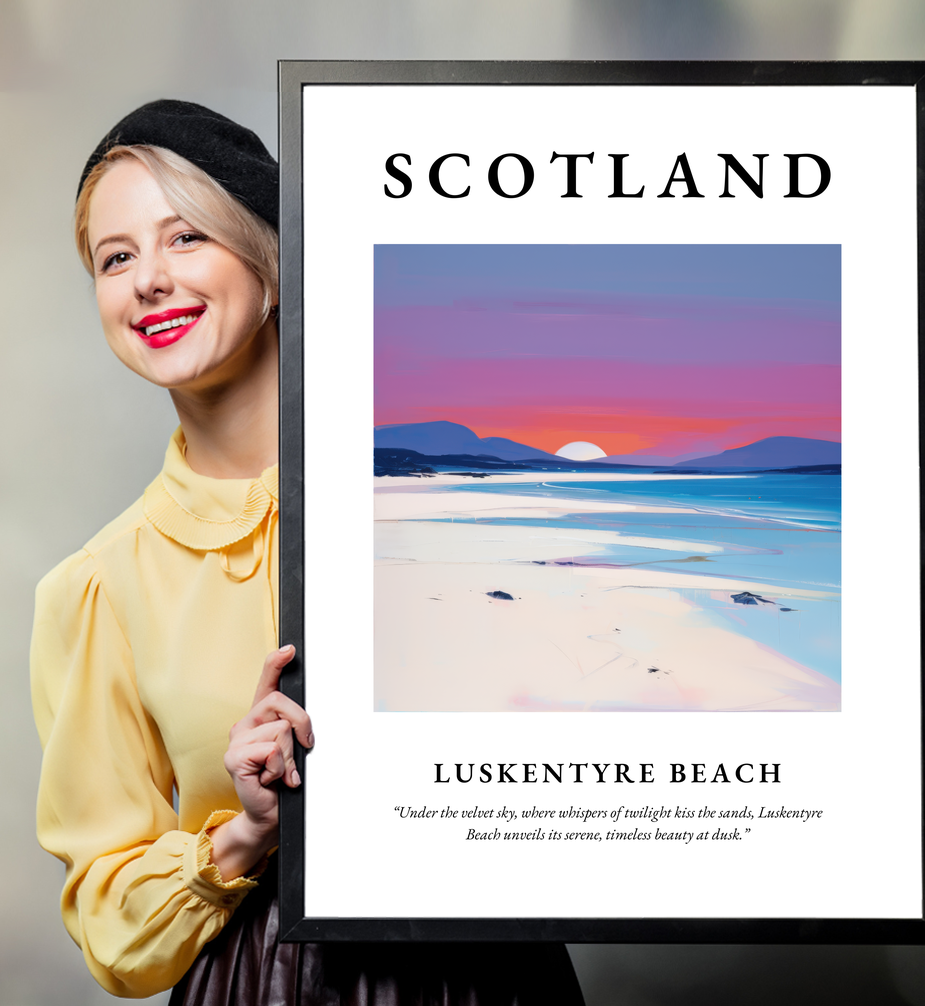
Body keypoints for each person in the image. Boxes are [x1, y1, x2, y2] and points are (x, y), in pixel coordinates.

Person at [30, 100, 585, 1004]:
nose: (148, 281)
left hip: (492, 972)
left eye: (186, 238)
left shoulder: (444, 509)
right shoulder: (98, 587)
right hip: (263, 981)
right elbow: (110, 924)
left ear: (273, 264)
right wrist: (245, 832)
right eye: (116, 257)